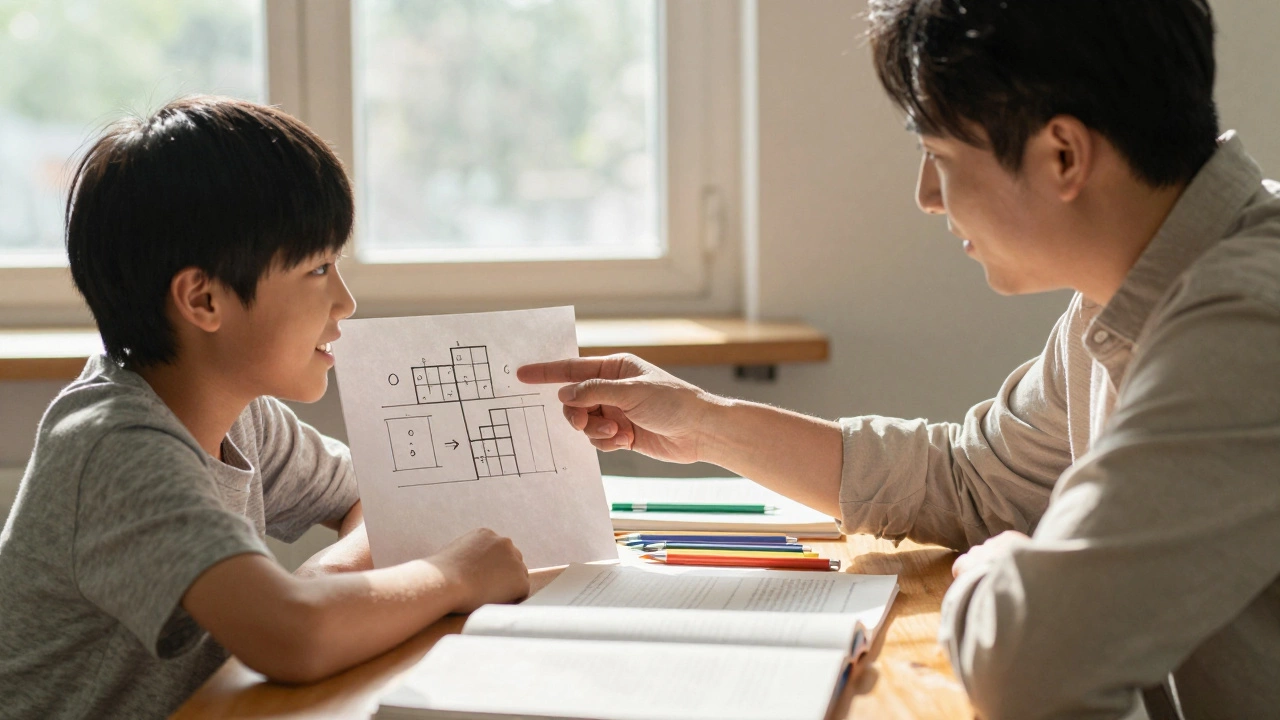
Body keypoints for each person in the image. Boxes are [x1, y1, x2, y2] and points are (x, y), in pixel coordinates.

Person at [520, 1, 1280, 718]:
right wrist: (704, 424)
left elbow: (1032, 661)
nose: (926, 195)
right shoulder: (1128, 295)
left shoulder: (1246, 322)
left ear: (1062, 154)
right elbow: (972, 480)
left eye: (938, 154)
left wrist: (998, 570)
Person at [0, 96, 529, 719]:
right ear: (203, 300)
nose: (346, 302)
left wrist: (326, 581)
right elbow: (293, 639)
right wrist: (455, 576)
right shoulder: (116, 449)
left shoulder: (238, 414)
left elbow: (383, 496)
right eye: (319, 268)